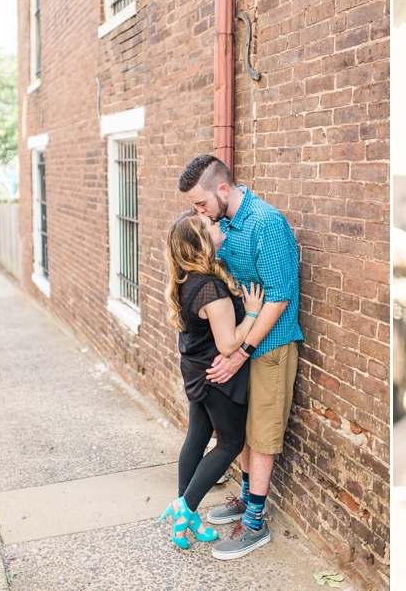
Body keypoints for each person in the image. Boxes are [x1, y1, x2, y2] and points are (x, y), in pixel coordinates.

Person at [177, 154, 303, 560]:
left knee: (263, 435)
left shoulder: (266, 223)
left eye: (201, 205)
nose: (199, 213)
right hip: (240, 348)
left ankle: (255, 523)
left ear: (223, 190)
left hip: (269, 347)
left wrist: (242, 351)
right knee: (244, 431)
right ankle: (247, 497)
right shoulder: (224, 224)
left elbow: (280, 295)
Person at [159, 210, 264, 550]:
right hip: (217, 378)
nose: (216, 224)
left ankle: (182, 514)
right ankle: (186, 507)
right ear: (201, 242)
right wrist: (251, 313)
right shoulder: (211, 288)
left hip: (196, 373)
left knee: (197, 435)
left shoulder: (186, 279)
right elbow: (229, 344)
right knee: (231, 443)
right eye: (209, 225)